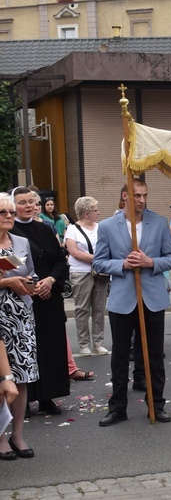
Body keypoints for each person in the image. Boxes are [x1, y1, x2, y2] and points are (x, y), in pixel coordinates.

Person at [93, 179, 171, 426]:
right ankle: (118, 407)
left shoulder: (159, 223)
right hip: (122, 299)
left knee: (154, 355)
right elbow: (98, 263)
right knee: (120, 356)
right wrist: (123, 264)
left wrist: (150, 262)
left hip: (152, 297)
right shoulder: (108, 226)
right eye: (137, 195)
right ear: (125, 196)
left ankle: (157, 404)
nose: (141, 200)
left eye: (145, 195)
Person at [10, 187, 70, 417]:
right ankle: (23, 402)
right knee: (26, 351)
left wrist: (51, 280)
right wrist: (34, 286)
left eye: (31, 202)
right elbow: (11, 267)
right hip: (24, 298)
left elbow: (60, 260)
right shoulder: (8, 231)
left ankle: (47, 397)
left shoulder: (44, 229)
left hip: (49, 297)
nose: (28, 206)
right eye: (22, 202)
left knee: (50, 348)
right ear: (13, 206)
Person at [0, 193, 39, 459]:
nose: (9, 217)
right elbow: (11, 277)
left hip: (21, 315)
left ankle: (18, 434)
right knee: (2, 379)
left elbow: (30, 272)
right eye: (3, 212)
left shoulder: (21, 242)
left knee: (22, 377)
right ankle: (1, 437)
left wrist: (32, 283)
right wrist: (7, 282)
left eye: (11, 212)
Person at [64, 196, 109, 356]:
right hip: (81, 272)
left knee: (99, 308)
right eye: (95, 210)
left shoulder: (101, 227)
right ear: (86, 213)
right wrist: (99, 259)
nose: (98, 212)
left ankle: (98, 343)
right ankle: (84, 344)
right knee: (82, 309)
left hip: (100, 272)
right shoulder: (72, 229)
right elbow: (74, 252)